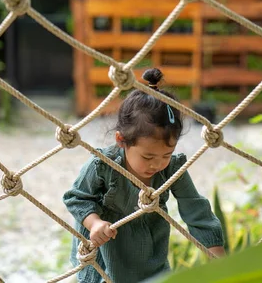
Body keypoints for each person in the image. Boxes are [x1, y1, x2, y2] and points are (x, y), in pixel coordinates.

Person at [63, 68, 225, 283]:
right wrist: (94, 223)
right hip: (105, 259)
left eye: (166, 154)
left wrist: (218, 258)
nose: (157, 164)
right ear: (122, 141)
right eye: (148, 157)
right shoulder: (102, 166)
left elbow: (196, 209)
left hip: (148, 261)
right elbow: (76, 197)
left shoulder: (171, 169)